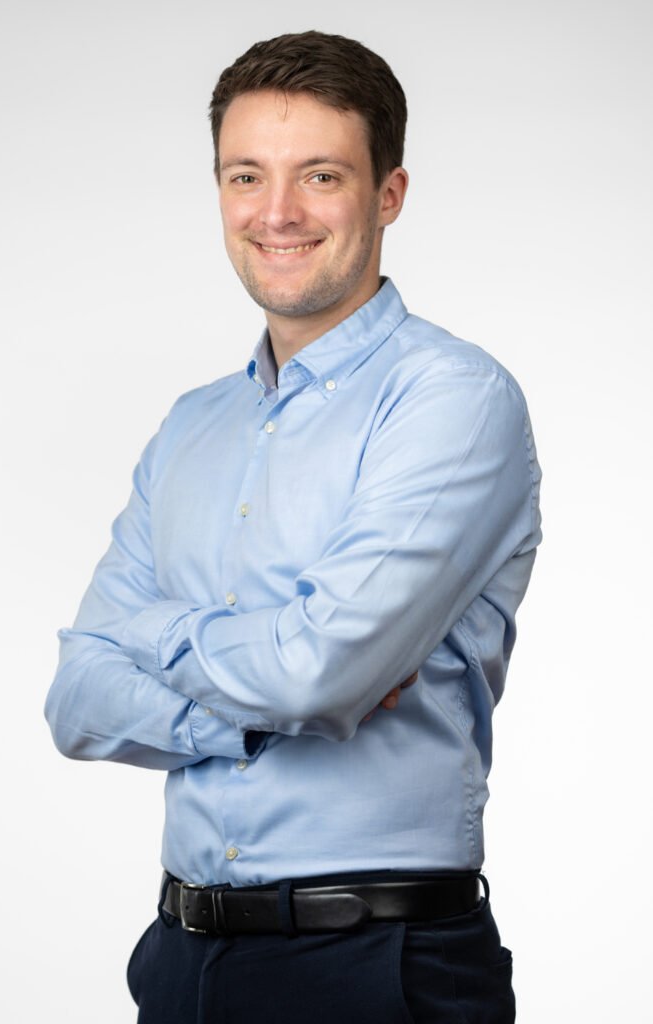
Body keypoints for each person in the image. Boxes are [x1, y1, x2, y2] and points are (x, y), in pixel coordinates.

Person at [45, 29, 541, 1024]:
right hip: (180, 963)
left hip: (376, 965)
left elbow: (317, 672)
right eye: (244, 176)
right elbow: (77, 698)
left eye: (319, 174)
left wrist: (155, 632)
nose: (276, 214)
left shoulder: (449, 401)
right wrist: (260, 709)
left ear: (387, 194)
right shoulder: (190, 426)